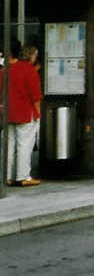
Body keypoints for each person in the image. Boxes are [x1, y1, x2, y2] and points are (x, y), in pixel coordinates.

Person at [5, 43, 42, 187]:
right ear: (31, 56)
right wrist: (38, 114)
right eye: (35, 55)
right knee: (24, 145)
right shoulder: (30, 71)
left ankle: (7, 176)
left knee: (9, 145)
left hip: (9, 112)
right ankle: (23, 176)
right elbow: (36, 96)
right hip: (26, 113)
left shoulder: (6, 70)